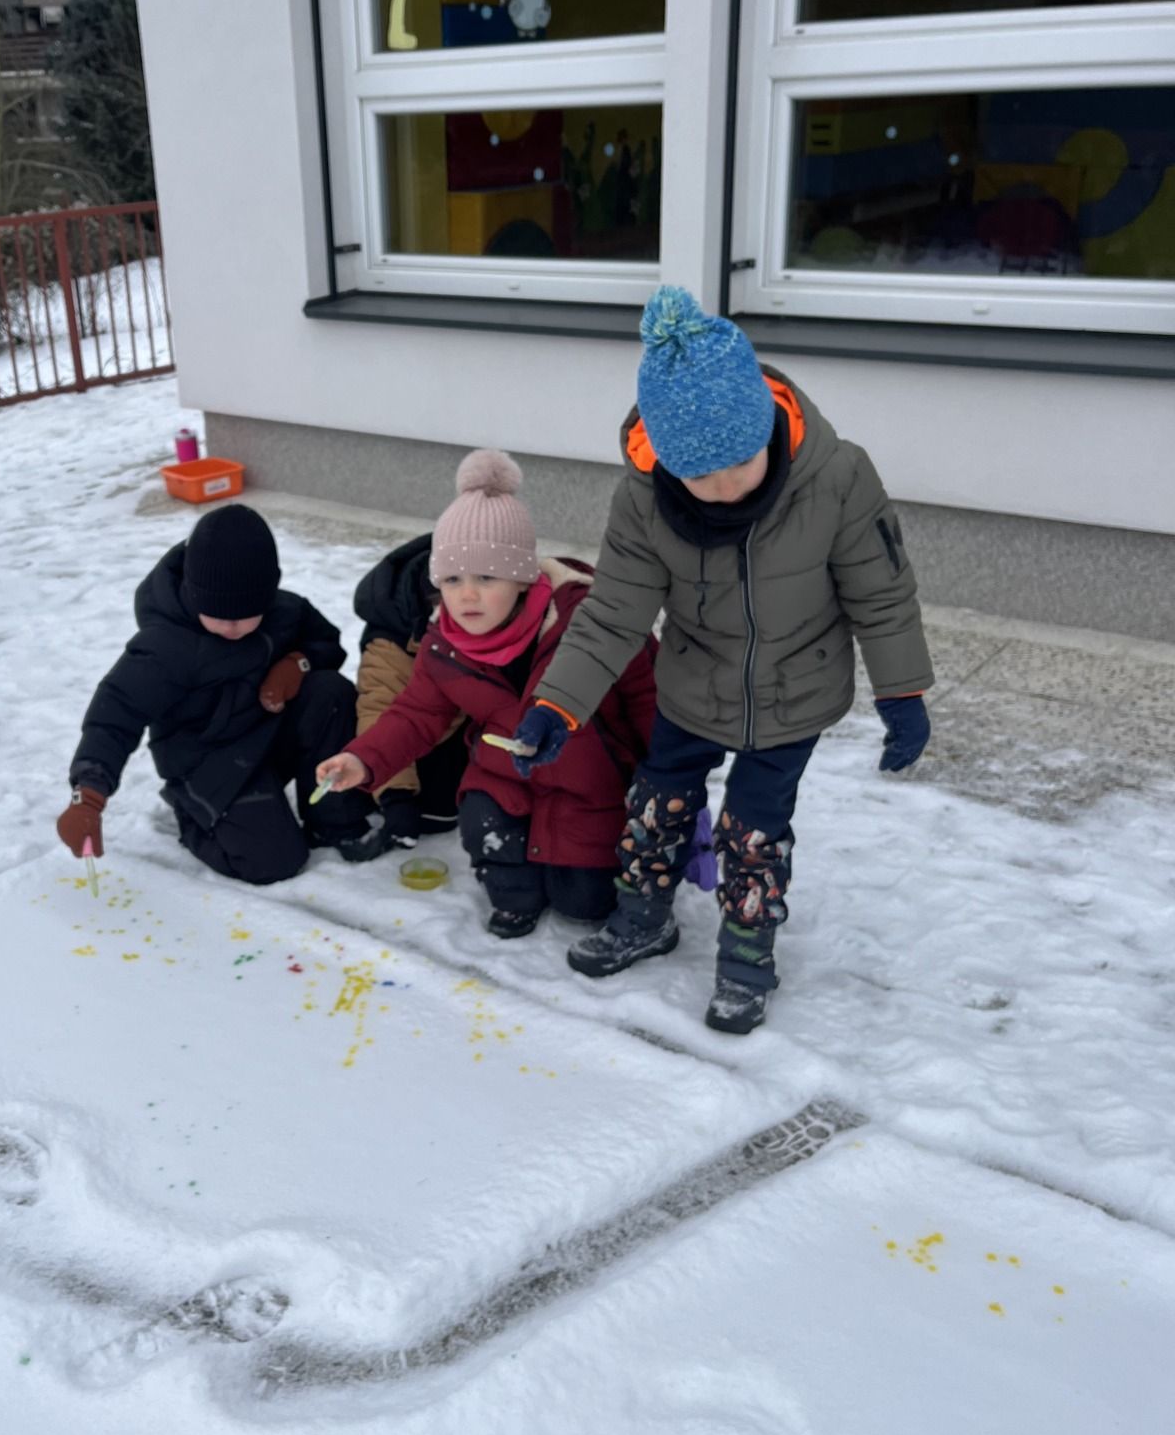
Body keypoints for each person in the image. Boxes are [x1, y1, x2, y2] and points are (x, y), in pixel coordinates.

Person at [511, 285, 934, 1035]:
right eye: (698, 476)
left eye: (739, 463)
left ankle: (745, 958)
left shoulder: (837, 479)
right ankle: (644, 917)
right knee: (656, 802)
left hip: (796, 688)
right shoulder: (644, 499)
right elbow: (613, 613)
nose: (722, 489)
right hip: (693, 681)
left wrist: (901, 691)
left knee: (753, 827)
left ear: (764, 426)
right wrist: (556, 703)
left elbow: (882, 591)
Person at [316, 451, 657, 939]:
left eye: (486, 577)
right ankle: (516, 887)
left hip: (587, 785)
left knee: (585, 905)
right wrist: (362, 759)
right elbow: (415, 714)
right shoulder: (444, 643)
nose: (467, 595)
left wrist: (663, 776)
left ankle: (568, 874)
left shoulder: (587, 623)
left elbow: (646, 698)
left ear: (521, 577)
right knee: (488, 831)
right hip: (504, 779)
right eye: (453, 580)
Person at [55, 502, 370, 885]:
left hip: (266, 733)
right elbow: (115, 715)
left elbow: (326, 643)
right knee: (275, 862)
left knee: (330, 692)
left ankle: (333, 821)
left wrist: (298, 663)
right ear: (194, 594)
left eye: (246, 614)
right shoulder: (164, 646)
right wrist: (89, 795)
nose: (233, 626)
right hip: (207, 762)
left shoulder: (283, 611)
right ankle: (193, 818)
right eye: (219, 614)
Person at [337, 531, 467, 864]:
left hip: (466, 729)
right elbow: (380, 709)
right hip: (415, 739)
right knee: (436, 816)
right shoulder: (390, 643)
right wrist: (396, 796)